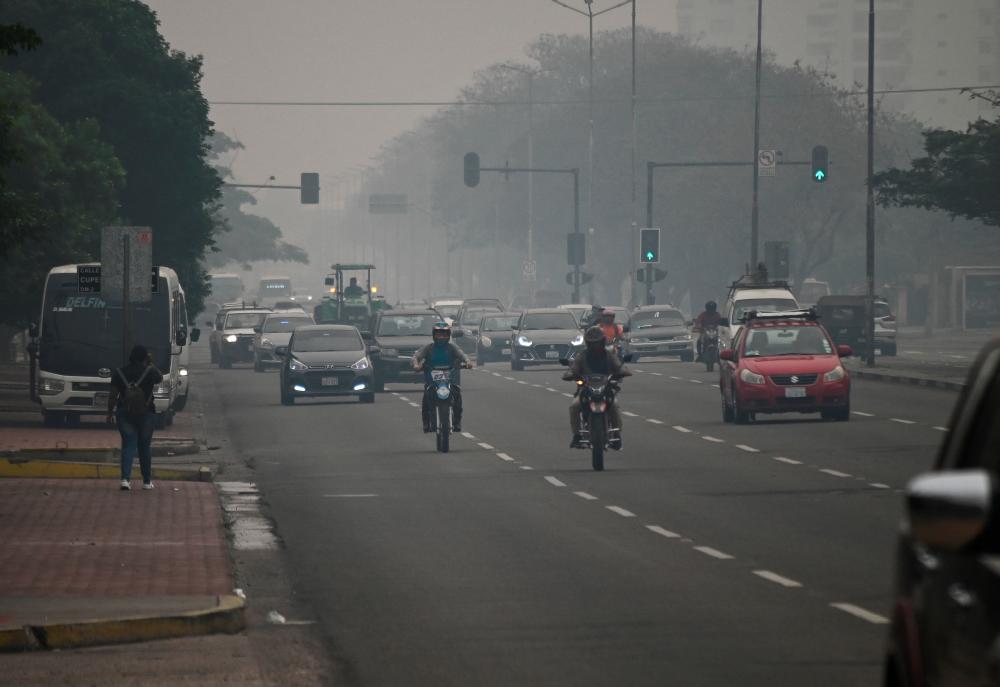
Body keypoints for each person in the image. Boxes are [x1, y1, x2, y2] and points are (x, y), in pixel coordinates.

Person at [563, 326, 631, 448]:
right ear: (587, 343)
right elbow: (573, 369)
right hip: (586, 390)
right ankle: (577, 435)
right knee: (574, 406)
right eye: (591, 343)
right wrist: (570, 374)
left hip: (605, 389)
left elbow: (618, 366)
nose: (595, 346)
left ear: (602, 342)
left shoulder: (609, 355)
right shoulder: (582, 356)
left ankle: (617, 434)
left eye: (597, 343)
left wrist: (623, 371)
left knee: (614, 406)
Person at [107, 344, 163, 491]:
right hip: (147, 413)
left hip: (124, 412)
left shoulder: (119, 372)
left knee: (128, 445)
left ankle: (125, 480)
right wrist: (150, 363)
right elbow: (160, 378)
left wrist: (109, 412)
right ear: (145, 357)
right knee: (144, 446)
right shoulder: (150, 372)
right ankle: (146, 482)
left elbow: (112, 395)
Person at [412, 322, 471, 433]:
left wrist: (467, 362)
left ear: (448, 336)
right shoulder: (428, 348)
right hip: (432, 381)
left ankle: (457, 422)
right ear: (434, 336)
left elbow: (462, 355)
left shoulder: (452, 347)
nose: (442, 337)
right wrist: (416, 365)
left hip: (450, 379)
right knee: (426, 399)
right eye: (439, 334)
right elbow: (416, 356)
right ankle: (426, 423)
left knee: (457, 396)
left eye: (444, 335)